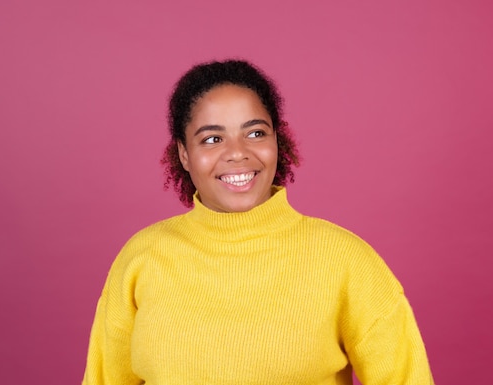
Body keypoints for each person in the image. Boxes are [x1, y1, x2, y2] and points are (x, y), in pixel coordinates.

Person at [82, 59, 434, 384]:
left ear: (277, 141)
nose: (237, 152)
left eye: (255, 133)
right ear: (184, 154)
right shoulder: (141, 258)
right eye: (212, 139)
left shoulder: (346, 261)